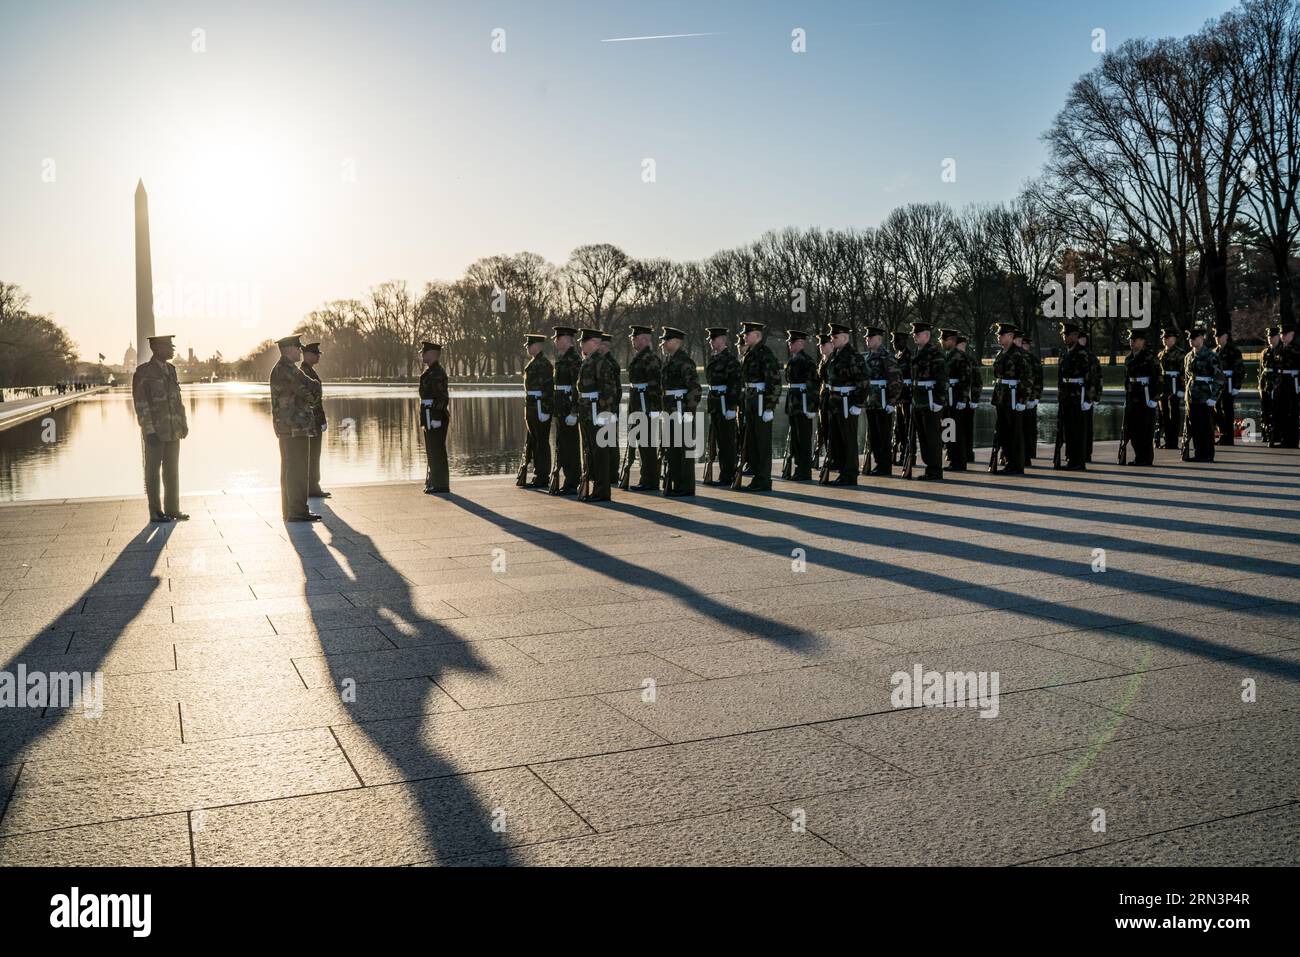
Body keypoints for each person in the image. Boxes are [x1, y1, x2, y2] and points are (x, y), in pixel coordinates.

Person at [131, 333, 189, 522]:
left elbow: (177, 400)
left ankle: (172, 509)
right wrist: (148, 430)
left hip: (173, 429)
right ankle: (155, 511)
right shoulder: (143, 372)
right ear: (156, 349)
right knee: (153, 471)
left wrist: (184, 422)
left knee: (172, 470)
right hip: (156, 430)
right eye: (168, 346)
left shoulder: (171, 370)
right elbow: (141, 404)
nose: (172, 349)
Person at [270, 334, 320, 522]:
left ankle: (291, 510)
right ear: (289, 350)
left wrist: (313, 389)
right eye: (298, 348)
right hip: (294, 425)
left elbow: (308, 387)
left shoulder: (283, 368)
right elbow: (310, 389)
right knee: (297, 469)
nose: (300, 351)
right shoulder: (287, 369)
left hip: (290, 425)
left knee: (291, 468)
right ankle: (297, 511)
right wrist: (315, 390)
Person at [737, 321, 782, 491]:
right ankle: (757, 476)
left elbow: (775, 381)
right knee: (753, 442)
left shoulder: (765, 353)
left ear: (757, 335)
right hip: (751, 402)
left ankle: (763, 479)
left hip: (762, 401)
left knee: (762, 443)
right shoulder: (749, 353)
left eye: (747, 334)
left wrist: (770, 407)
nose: (744, 336)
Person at [822, 322, 866, 485]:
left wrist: (858, 404)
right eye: (831, 336)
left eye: (835, 337)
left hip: (847, 402)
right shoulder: (835, 354)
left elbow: (863, 381)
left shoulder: (853, 356)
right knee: (836, 439)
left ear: (845, 337)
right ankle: (842, 471)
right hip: (835, 402)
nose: (832, 339)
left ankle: (850, 474)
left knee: (848, 439)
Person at [578, 328, 619, 501]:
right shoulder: (588, 361)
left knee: (600, 453)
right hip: (588, 412)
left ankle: (602, 491)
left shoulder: (601, 363)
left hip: (597, 412)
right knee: (590, 451)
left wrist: (604, 414)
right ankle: (594, 487)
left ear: (594, 343)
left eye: (584, 341)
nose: (581, 344)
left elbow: (609, 391)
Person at [659, 327, 701, 496]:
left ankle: (686, 486)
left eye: (666, 340)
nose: (663, 343)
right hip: (670, 410)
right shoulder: (669, 360)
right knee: (672, 449)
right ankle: (675, 483)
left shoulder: (684, 362)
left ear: (676, 341)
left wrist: (689, 411)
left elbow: (695, 389)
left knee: (684, 450)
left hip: (681, 410)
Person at [625, 325, 663, 490]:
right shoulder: (640, 356)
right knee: (642, 442)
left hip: (646, 405)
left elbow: (655, 385)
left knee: (647, 444)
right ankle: (646, 478)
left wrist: (654, 409)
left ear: (645, 339)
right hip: (638, 403)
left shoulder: (650, 358)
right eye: (633, 336)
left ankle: (650, 481)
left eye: (636, 337)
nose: (632, 339)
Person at [862, 325, 903, 477]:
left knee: (884, 436)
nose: (867, 339)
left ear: (878, 339)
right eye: (867, 337)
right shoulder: (868, 357)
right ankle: (879, 464)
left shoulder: (886, 357)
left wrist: (892, 402)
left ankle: (885, 466)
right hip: (871, 403)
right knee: (874, 436)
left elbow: (896, 381)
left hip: (883, 403)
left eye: (870, 337)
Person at [704, 327, 742, 486]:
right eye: (711, 339)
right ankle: (723, 473)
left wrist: (732, 407)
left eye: (714, 339)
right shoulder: (714, 358)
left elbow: (735, 385)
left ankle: (728, 475)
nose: (711, 342)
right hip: (714, 404)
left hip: (725, 403)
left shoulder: (730, 360)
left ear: (722, 340)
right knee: (717, 441)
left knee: (727, 442)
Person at [909, 321, 945, 481]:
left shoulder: (935, 353)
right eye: (914, 334)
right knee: (922, 436)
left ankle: (935, 469)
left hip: (930, 399)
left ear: (927, 335)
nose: (914, 336)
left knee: (932, 436)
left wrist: (939, 400)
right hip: (919, 398)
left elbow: (942, 378)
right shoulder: (917, 352)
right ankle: (929, 466)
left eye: (917, 334)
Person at [991, 323, 1028, 474]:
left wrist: (1022, 400)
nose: (998, 337)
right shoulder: (1001, 353)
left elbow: (1027, 379)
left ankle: (1016, 465)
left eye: (1002, 335)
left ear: (1011, 337)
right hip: (1002, 397)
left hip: (1013, 397)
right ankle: (1008, 462)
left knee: (1014, 433)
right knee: (1004, 431)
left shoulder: (1018, 354)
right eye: (998, 335)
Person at [1182, 325, 1223, 461]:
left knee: (1206, 427)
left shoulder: (1211, 355)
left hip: (1205, 396)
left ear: (1201, 338)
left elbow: (1219, 378)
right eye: (1190, 339)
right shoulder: (1188, 356)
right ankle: (1199, 453)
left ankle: (1208, 455)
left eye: (1194, 339)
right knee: (1194, 427)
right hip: (1192, 396)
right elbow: (1187, 377)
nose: (1191, 341)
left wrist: (1214, 397)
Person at [549, 326, 582, 494]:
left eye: (558, 338)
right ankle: (567, 480)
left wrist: (574, 412)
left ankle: (572, 482)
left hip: (568, 409)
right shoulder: (562, 358)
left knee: (571, 447)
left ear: (567, 339)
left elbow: (577, 387)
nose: (555, 340)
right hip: (560, 408)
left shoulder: (574, 359)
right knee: (562, 446)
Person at [783, 329, 818, 480]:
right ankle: (798, 468)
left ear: (801, 343)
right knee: (795, 440)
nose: (790, 345)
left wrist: (811, 407)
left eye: (793, 342)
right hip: (794, 404)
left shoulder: (807, 361)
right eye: (790, 342)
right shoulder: (792, 360)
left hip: (803, 404)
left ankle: (804, 470)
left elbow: (814, 385)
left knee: (803, 438)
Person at [518, 333, 553, 488]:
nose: (528, 347)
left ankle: (543, 476)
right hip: (532, 406)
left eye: (530, 345)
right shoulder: (534, 363)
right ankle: (538, 473)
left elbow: (547, 389)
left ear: (537, 346)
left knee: (541, 443)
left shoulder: (544, 364)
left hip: (539, 407)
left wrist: (545, 410)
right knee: (534, 442)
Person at [1122, 327, 1159, 466]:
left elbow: (1157, 379)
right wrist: (1127, 397)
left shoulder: (1150, 357)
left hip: (1146, 396)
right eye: (1131, 340)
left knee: (1145, 429)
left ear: (1142, 341)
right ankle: (1138, 456)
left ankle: (1146, 458)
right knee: (1132, 429)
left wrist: (1154, 398)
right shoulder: (1129, 358)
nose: (1132, 342)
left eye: (1134, 340)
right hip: (1133, 396)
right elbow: (1126, 379)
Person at [1055, 322, 1090, 471]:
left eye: (1067, 334)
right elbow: (1060, 377)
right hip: (1066, 396)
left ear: (1075, 336)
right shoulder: (1064, 354)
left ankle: (1078, 461)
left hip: (1078, 396)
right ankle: (1071, 459)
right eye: (1063, 334)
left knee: (1078, 430)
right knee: (1067, 430)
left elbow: (1092, 378)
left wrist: (1089, 399)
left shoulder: (1084, 354)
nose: (1065, 337)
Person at [418, 341, 450, 493]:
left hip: (435, 415)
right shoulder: (431, 371)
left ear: (432, 354)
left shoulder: (437, 373)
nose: (422, 354)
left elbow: (442, 397)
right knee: (432, 449)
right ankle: (435, 481)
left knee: (437, 449)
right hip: (429, 414)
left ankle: (441, 484)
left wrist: (436, 417)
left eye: (424, 351)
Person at [301, 342, 330, 499]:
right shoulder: (305, 372)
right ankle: (312, 486)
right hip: (311, 420)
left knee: (314, 453)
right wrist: (321, 418)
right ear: (307, 355)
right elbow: (312, 399)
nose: (318, 356)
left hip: (313, 420)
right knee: (312, 453)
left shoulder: (309, 370)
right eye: (315, 353)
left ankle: (313, 485)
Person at [939, 328, 970, 471]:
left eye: (943, 340)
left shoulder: (959, 356)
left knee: (957, 430)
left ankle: (960, 461)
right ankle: (952, 458)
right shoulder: (946, 355)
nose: (941, 342)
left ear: (951, 340)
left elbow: (966, 378)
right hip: (947, 397)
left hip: (956, 396)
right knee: (948, 428)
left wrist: (963, 399)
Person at [598, 331, 622, 489]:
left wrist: (611, 410)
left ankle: (612, 474)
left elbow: (614, 390)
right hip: (607, 407)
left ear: (604, 345)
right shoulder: (603, 361)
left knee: (610, 442)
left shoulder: (609, 363)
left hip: (610, 407)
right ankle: (609, 473)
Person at [1214, 327, 1245, 446]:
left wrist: (1237, 386)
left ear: (1226, 337)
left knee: (1227, 410)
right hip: (1217, 385)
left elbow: (1240, 369)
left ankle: (1229, 438)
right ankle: (1223, 433)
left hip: (1229, 383)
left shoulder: (1233, 351)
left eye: (1220, 336)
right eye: (1216, 337)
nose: (1217, 339)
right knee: (1216, 408)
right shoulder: (1214, 351)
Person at [1158, 328, 1187, 449]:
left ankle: (1173, 441)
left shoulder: (1180, 353)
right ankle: (1167, 439)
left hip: (1175, 386)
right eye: (1164, 338)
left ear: (1174, 339)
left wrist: (1182, 389)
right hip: (1164, 387)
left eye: (1167, 338)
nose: (1165, 340)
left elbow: (1184, 372)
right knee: (1163, 414)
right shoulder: (1161, 354)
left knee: (1173, 414)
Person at [1016, 329, 1042, 465]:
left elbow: (1038, 380)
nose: (1024, 346)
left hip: (1029, 397)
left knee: (1028, 427)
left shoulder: (1033, 360)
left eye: (1025, 344)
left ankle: (1028, 453)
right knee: (1020, 427)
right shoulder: (1019, 357)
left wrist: (1035, 397)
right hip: (1020, 397)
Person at [1273, 323, 1300, 448]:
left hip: (1292, 381)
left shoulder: (1297, 348)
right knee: (1281, 410)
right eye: (1281, 334)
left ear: (1292, 334)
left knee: (1292, 411)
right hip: (1282, 381)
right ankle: (1285, 439)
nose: (1283, 336)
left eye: (1285, 334)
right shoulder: (1280, 348)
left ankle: (1292, 440)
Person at [892, 331, 914, 466]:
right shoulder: (897, 356)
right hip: (899, 397)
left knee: (907, 427)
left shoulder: (909, 356)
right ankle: (901, 452)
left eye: (896, 342)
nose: (894, 344)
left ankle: (909, 453)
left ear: (903, 342)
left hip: (907, 397)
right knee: (899, 427)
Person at [959, 333, 980, 463]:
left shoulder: (969, 360)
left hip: (966, 398)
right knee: (949, 426)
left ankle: (967, 452)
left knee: (966, 427)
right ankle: (952, 451)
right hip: (955, 398)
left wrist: (975, 399)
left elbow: (977, 381)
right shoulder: (949, 357)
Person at [1259, 325, 1280, 445]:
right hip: (1266, 386)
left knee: (1277, 411)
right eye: (1268, 337)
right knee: (1265, 411)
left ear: (1278, 337)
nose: (1270, 339)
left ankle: (1276, 435)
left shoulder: (1282, 351)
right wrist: (1260, 387)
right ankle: (1266, 434)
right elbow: (1261, 371)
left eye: (1273, 336)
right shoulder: (1264, 353)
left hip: (1278, 387)